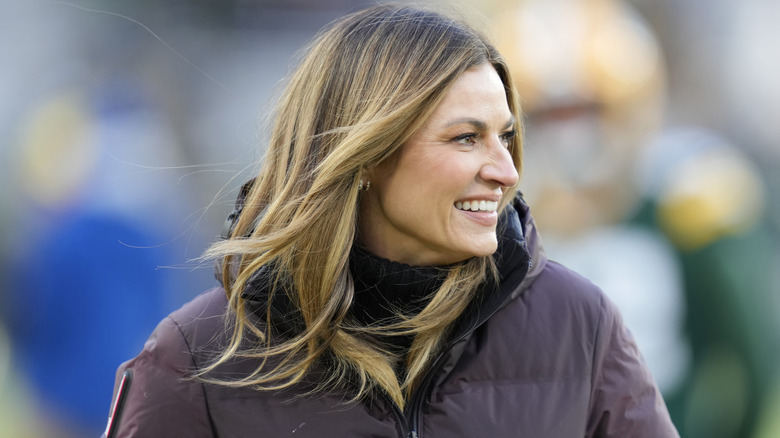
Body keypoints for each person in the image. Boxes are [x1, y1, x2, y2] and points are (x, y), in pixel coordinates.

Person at [102, 4, 679, 437]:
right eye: (466, 138)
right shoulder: (197, 357)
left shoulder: (581, 325)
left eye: (505, 136)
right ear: (366, 156)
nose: (506, 171)